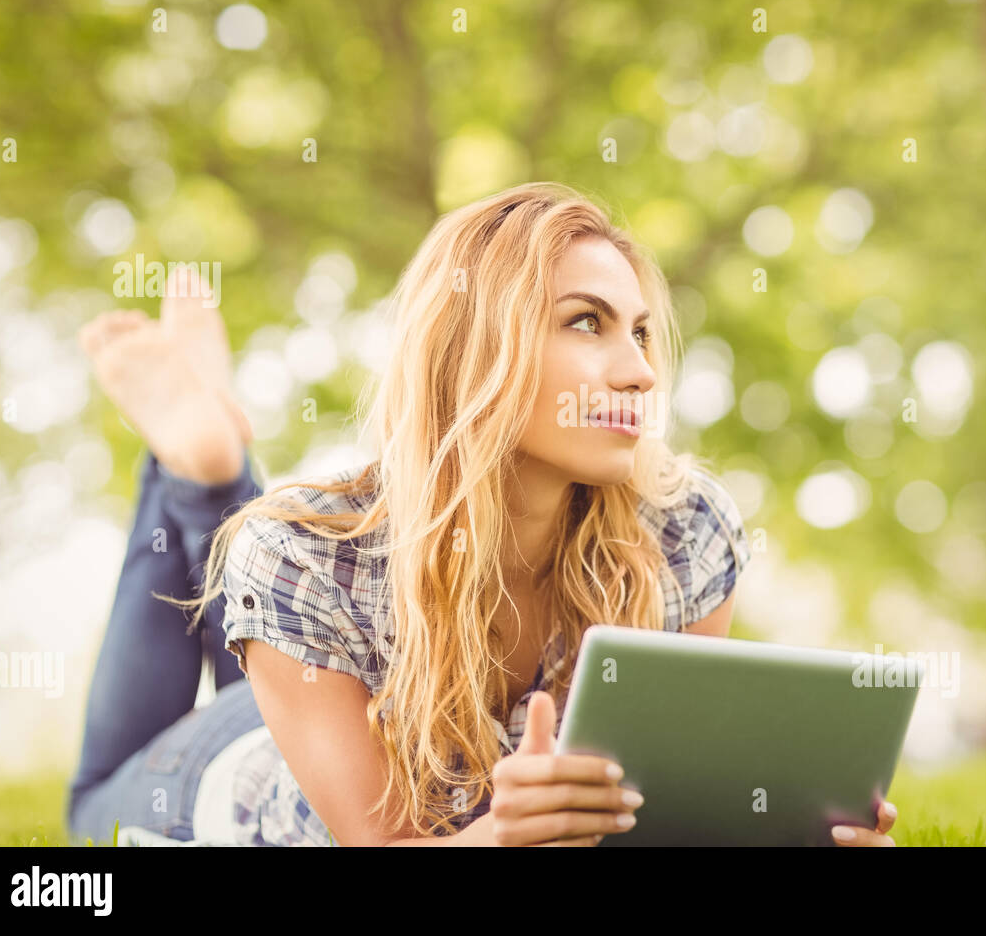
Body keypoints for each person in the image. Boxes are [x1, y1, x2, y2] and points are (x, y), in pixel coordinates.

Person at [64, 181, 900, 847]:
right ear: (474, 349)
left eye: (642, 334)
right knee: (89, 806)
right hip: (250, 766)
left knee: (285, 591)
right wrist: (502, 839)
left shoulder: (681, 535)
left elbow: (662, 812)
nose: (641, 373)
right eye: (588, 324)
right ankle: (204, 469)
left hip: (349, 690)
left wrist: (791, 831)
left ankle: (209, 465)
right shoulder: (298, 555)